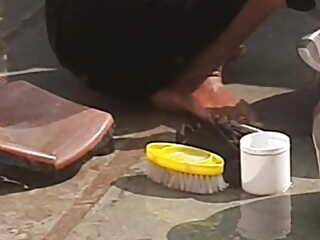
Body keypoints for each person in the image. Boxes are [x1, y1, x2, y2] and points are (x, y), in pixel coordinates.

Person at [45, 0, 316, 123]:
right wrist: (193, 78)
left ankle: (187, 48)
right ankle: (192, 80)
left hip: (71, 35)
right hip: (119, 58)